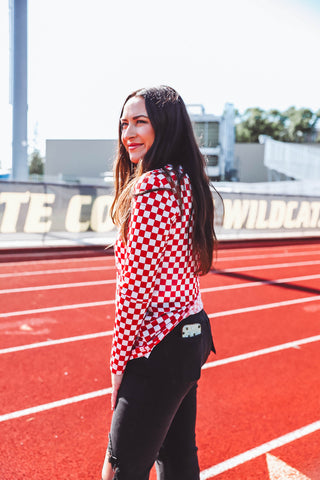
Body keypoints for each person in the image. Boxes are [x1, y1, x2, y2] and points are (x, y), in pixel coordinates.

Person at [101, 85, 217, 480]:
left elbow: (134, 290)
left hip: (159, 344)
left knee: (120, 469)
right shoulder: (187, 180)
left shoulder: (153, 187)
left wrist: (118, 367)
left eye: (140, 122)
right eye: (124, 124)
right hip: (192, 333)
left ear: (164, 127)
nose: (128, 133)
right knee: (178, 458)